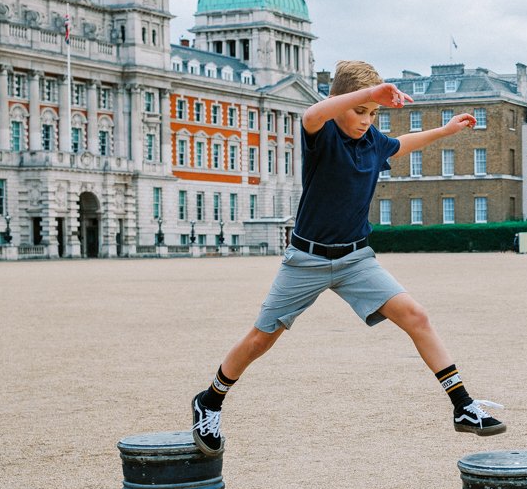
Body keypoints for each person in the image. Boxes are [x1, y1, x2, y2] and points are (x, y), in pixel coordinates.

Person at [189, 60, 504, 456]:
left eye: (373, 114)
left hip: (357, 260)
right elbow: (311, 112)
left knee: (416, 315)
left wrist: (445, 130)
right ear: (341, 103)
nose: (365, 121)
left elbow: (404, 143)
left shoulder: (373, 141)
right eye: (359, 111)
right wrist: (368, 95)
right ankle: (211, 400)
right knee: (261, 339)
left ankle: (463, 407)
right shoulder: (321, 136)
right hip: (307, 259)